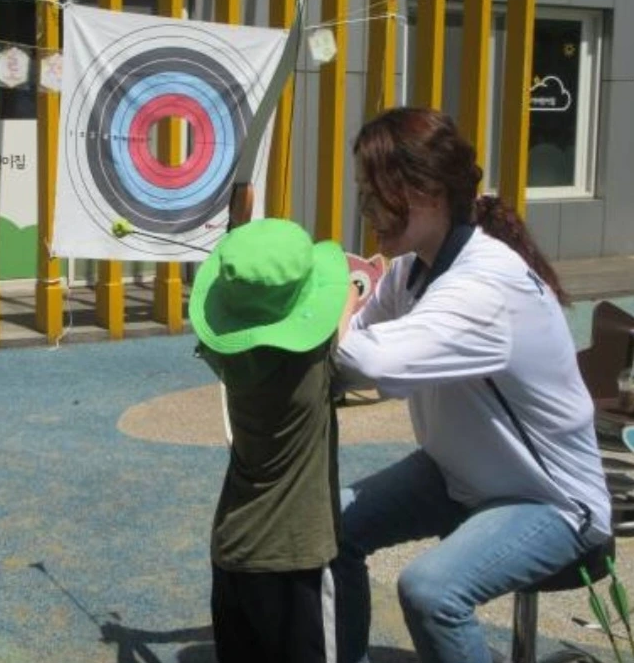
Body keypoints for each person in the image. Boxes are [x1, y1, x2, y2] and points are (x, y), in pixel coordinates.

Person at [331, 107, 611, 663]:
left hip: (550, 500)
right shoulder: (412, 271)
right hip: (457, 473)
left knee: (431, 591)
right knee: (328, 531)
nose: (366, 210)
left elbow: (367, 362)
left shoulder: (485, 286)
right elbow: (353, 349)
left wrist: (340, 293)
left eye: (375, 192)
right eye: (362, 192)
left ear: (429, 191)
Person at [188, 217, 352, 663]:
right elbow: (344, 305)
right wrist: (354, 285)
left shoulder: (224, 354)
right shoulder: (311, 362)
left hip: (232, 548)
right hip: (293, 556)